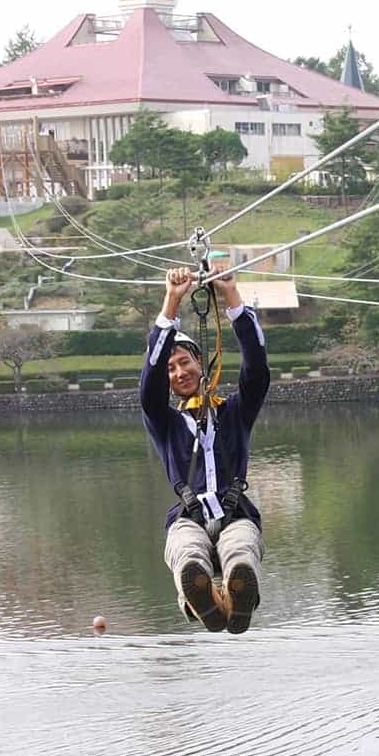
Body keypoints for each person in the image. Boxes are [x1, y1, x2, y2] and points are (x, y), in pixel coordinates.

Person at [140, 263, 270, 634]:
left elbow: (257, 370)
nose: (178, 372)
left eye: (184, 363)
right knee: (186, 552)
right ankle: (199, 600)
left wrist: (230, 295)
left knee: (241, 549)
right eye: (170, 369)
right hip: (188, 516)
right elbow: (148, 382)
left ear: (201, 364)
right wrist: (171, 302)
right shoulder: (163, 422)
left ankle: (238, 593)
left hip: (235, 514)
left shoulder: (235, 413)